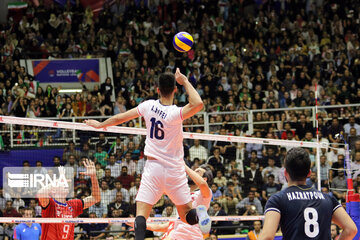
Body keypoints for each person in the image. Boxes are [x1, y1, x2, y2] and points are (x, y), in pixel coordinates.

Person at [85, 68, 210, 240]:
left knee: (141, 215)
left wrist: (100, 125)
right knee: (186, 216)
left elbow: (120, 117)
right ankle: (199, 215)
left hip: (154, 168)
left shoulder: (148, 106)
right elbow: (198, 103)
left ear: (157, 89)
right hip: (175, 169)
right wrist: (185, 81)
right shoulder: (175, 113)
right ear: (175, 90)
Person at [259, 148, 357, 240]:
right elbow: (351, 229)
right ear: (309, 173)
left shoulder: (277, 199)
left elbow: (267, 237)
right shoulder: (328, 198)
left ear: (285, 173)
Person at [127, 164, 213, 240]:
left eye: (197, 171)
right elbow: (164, 226)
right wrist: (141, 225)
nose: (193, 172)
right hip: (178, 232)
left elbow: (202, 184)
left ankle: (198, 216)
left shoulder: (205, 193)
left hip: (192, 234)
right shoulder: (184, 192)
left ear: (204, 179)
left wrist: (184, 166)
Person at [36, 159, 101, 240]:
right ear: (53, 190)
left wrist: (93, 176)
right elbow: (40, 193)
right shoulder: (51, 205)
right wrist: (56, 181)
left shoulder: (73, 205)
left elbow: (96, 198)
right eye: (62, 183)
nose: (64, 183)